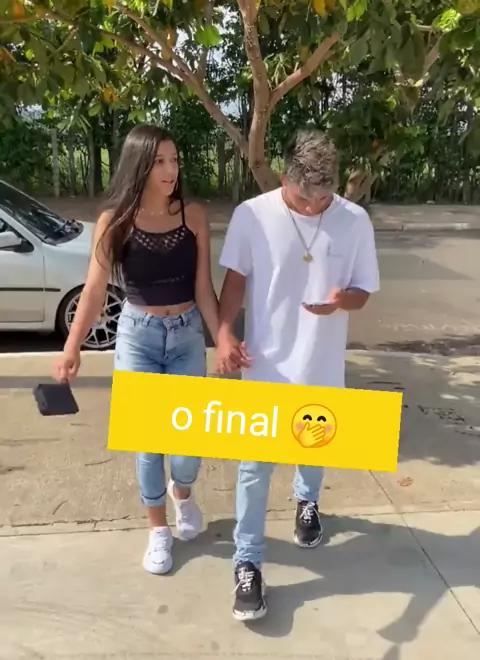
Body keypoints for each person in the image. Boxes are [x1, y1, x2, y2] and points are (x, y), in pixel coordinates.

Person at [215, 128, 380, 621]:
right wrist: (223, 334)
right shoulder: (252, 215)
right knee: (254, 468)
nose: (312, 207)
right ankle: (247, 562)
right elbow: (235, 282)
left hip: (321, 365)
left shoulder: (354, 221)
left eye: (322, 199)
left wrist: (342, 301)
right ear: (285, 177)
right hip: (264, 367)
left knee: (314, 445)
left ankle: (307, 502)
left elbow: (363, 292)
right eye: (304, 198)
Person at [53, 124, 220, 576]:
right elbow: (94, 290)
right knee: (148, 442)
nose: (171, 170)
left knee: (189, 441)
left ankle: (182, 492)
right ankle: (158, 530)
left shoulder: (193, 216)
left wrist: (222, 336)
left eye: (175, 160)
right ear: (140, 165)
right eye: (160, 161)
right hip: (137, 337)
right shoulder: (115, 221)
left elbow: (203, 287)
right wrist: (72, 347)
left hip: (186, 335)